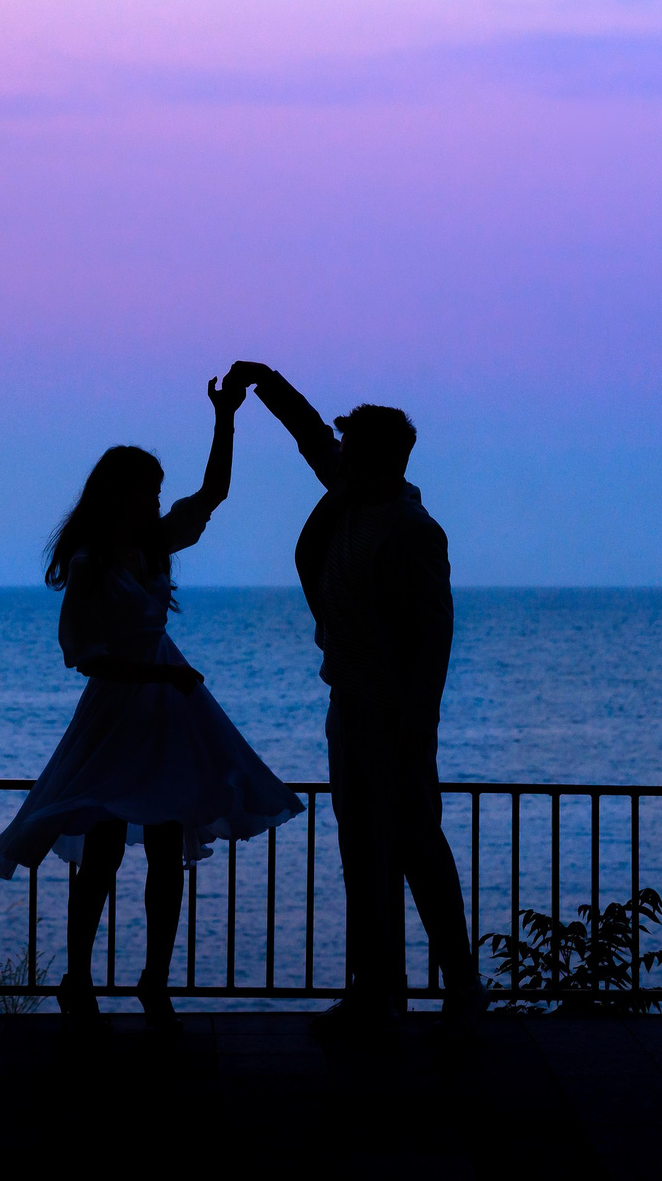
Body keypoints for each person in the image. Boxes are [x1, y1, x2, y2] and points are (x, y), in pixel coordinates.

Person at [0, 368, 303, 1031]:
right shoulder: (93, 561)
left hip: (166, 705)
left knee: (163, 843)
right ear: (119, 494)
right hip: (127, 705)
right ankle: (78, 976)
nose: (158, 501)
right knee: (102, 843)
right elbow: (84, 654)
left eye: (158, 491)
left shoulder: (154, 545)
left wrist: (226, 416)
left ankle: (153, 978)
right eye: (149, 491)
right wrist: (162, 679)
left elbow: (212, 492)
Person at [231, 363, 486, 1034]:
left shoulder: (412, 528)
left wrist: (418, 720)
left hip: (396, 714)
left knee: (417, 848)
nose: (337, 453)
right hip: (348, 704)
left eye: (351, 446)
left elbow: (437, 630)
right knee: (359, 849)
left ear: (378, 457)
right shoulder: (346, 494)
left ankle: (461, 987)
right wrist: (265, 381)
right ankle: (377, 990)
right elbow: (309, 431)